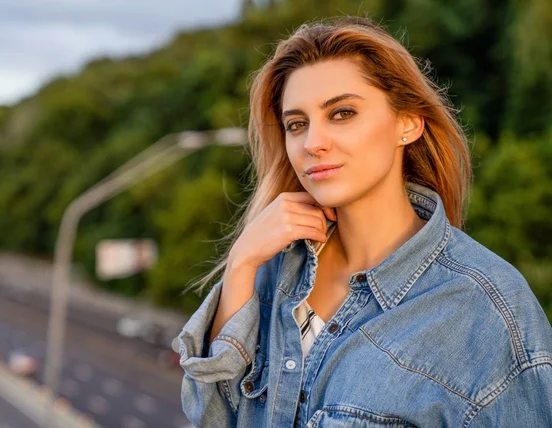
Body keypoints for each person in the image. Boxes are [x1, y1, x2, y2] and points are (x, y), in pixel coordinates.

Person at [172, 16, 552, 427]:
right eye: (296, 124)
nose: (313, 143)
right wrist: (242, 262)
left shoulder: (486, 310)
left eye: (342, 113)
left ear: (408, 123)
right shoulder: (268, 274)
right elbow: (212, 419)